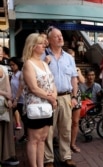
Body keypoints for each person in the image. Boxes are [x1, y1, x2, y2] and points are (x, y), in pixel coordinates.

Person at [43, 27, 78, 167]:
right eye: (56, 36)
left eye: (61, 35)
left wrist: (74, 97)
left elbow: (74, 79)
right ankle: (48, 159)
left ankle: (66, 156)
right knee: (48, 130)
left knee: (65, 129)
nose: (60, 38)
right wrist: (45, 63)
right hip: (48, 98)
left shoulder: (69, 58)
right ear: (49, 40)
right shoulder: (43, 56)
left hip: (65, 97)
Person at [22, 33, 57, 167]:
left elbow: (52, 82)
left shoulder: (44, 63)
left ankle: (41, 165)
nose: (45, 45)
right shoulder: (28, 64)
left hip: (47, 106)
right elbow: (33, 88)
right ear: (32, 46)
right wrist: (52, 98)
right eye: (41, 43)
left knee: (42, 139)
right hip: (35, 107)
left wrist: (53, 96)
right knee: (33, 139)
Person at [0, 55, 19, 166]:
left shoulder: (4, 68)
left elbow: (9, 93)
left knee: (5, 131)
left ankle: (5, 156)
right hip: (4, 104)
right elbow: (7, 92)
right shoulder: (5, 69)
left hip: (4, 106)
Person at [67, 48, 85, 153]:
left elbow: (82, 81)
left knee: (75, 121)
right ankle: (64, 143)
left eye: (73, 56)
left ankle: (72, 143)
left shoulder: (76, 68)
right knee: (65, 122)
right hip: (65, 95)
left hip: (76, 95)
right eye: (70, 56)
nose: (72, 58)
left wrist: (78, 71)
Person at [9, 57, 25, 132]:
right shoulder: (12, 75)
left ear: (18, 64)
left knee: (24, 118)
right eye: (10, 65)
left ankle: (27, 135)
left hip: (21, 100)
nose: (11, 66)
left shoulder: (20, 74)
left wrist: (16, 99)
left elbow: (21, 87)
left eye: (13, 65)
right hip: (15, 99)